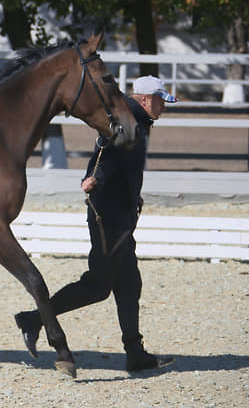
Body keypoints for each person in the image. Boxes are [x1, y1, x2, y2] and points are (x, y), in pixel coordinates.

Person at [15, 75, 177, 372]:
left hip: (121, 215)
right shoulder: (126, 120)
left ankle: (135, 354)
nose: (164, 107)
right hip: (109, 217)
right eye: (160, 100)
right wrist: (95, 179)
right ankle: (33, 319)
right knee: (97, 286)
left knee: (129, 284)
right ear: (144, 99)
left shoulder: (135, 120)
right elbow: (107, 152)